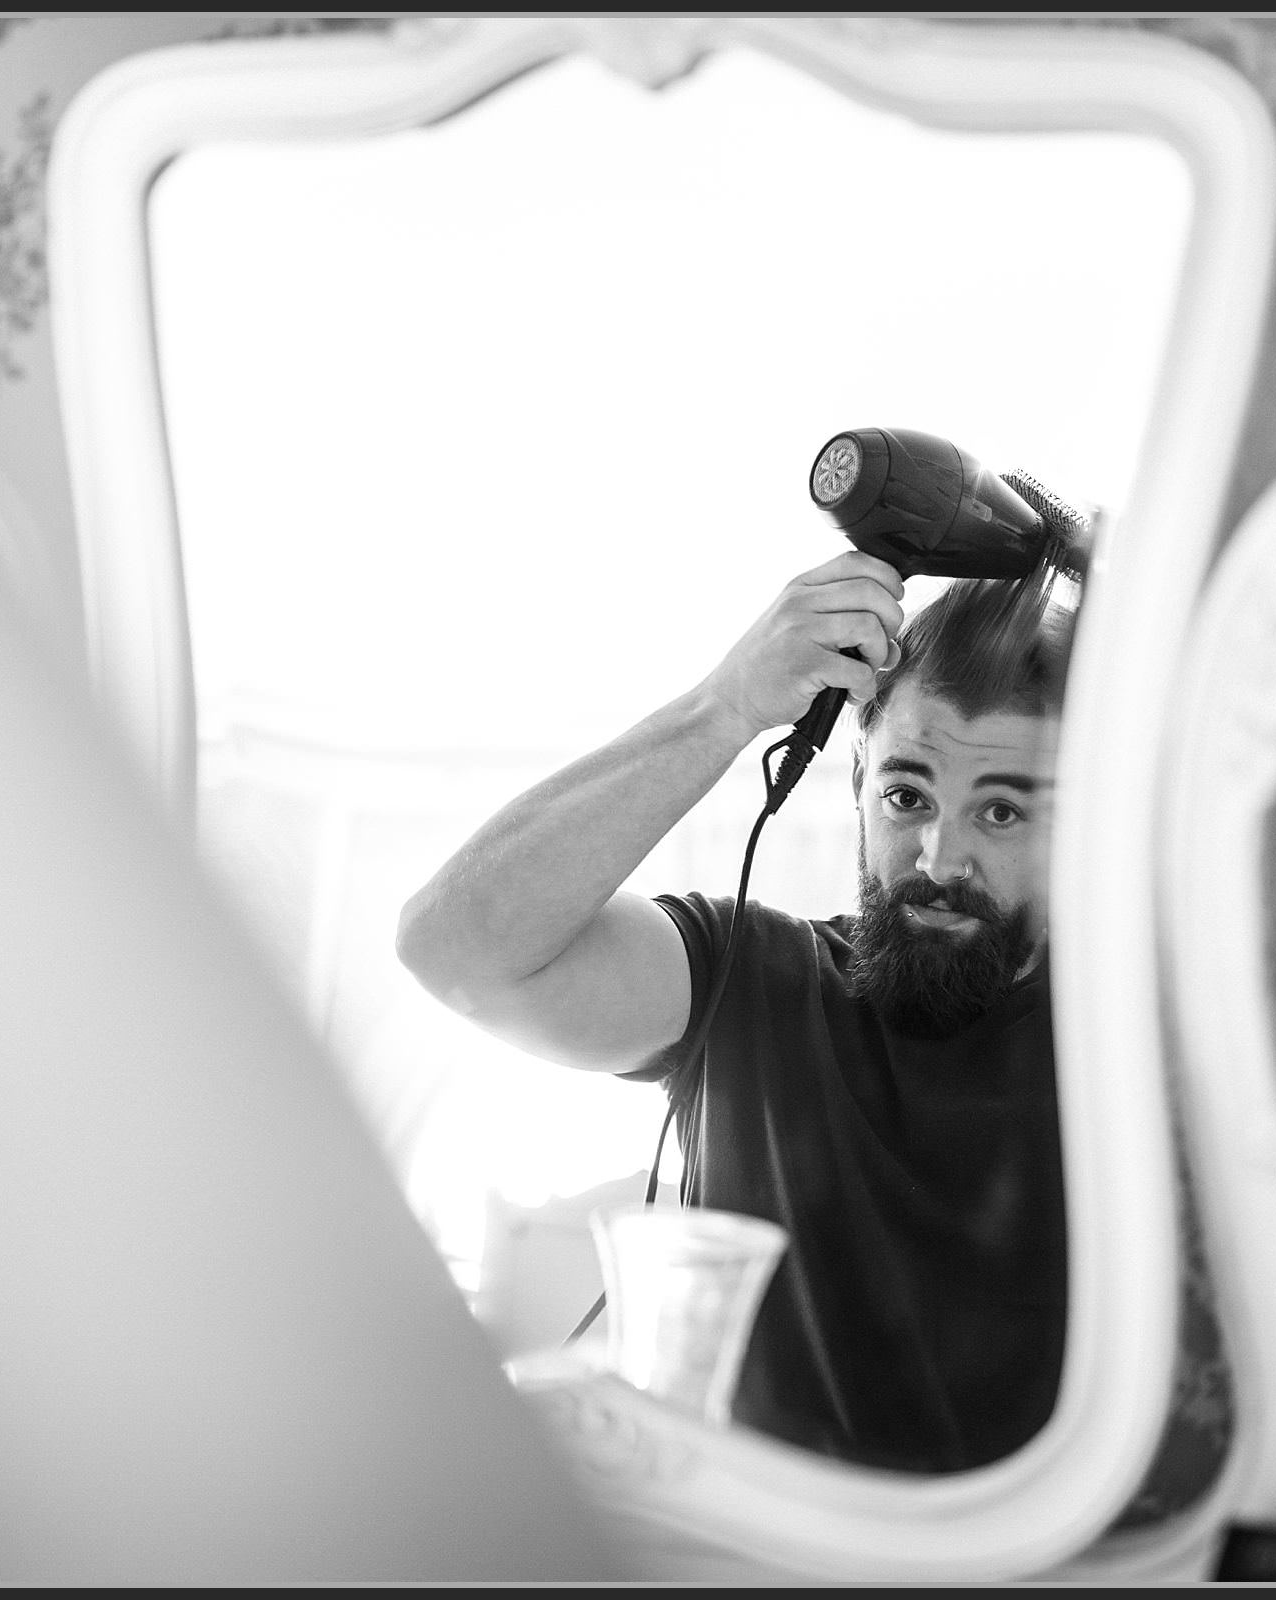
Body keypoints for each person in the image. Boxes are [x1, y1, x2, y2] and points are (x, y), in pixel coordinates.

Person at [396, 542, 1077, 1473]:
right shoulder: (751, 978)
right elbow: (457, 950)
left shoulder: (1122, 1056)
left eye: (1002, 812)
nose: (936, 858)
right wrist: (727, 706)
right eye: (907, 794)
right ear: (857, 787)